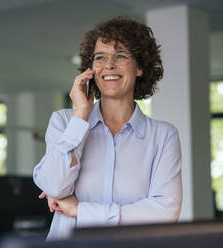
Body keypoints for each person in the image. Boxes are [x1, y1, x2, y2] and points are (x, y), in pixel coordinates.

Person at [32, 16, 182, 241]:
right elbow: (55, 185)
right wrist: (81, 117)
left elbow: (164, 212)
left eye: (120, 55)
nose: (109, 65)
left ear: (140, 66)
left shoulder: (163, 136)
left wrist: (80, 211)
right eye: (100, 57)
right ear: (91, 68)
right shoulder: (64, 122)